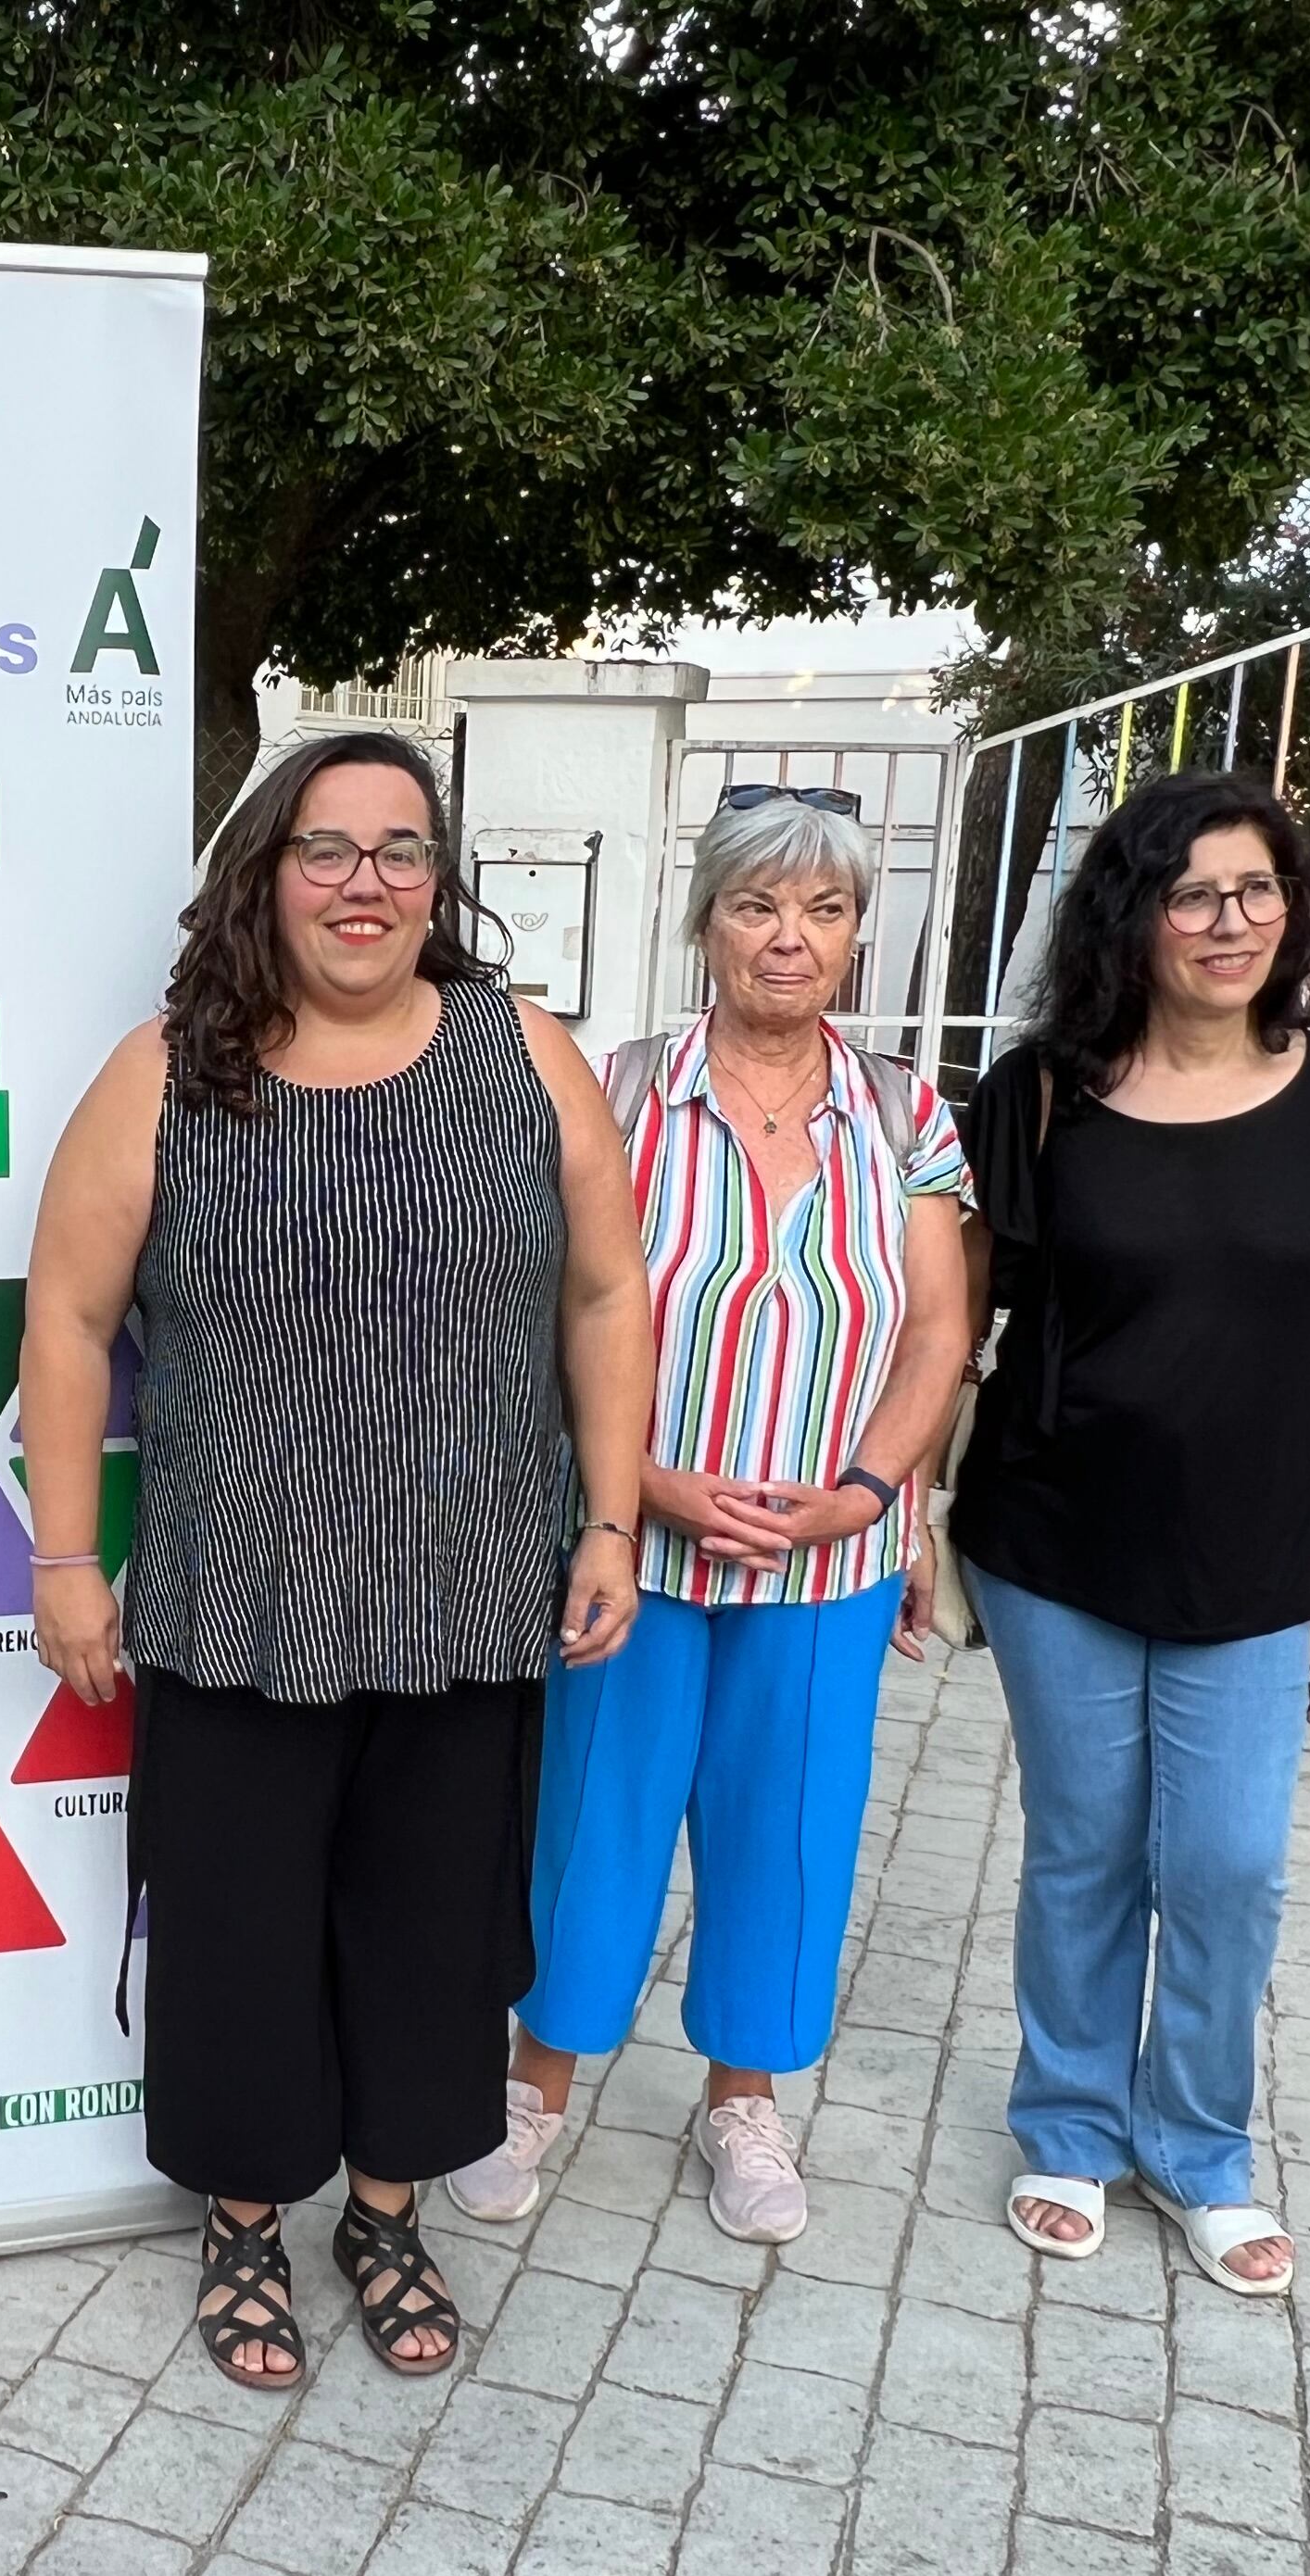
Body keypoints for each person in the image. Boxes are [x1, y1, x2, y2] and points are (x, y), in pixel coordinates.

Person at [21, 728, 651, 2392]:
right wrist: (66, 1556)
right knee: (238, 1926)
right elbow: (71, 1319)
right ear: (265, 872)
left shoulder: (526, 1056)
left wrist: (609, 1515)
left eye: (398, 850)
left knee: (433, 1926)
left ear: (438, 881)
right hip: (243, 1589)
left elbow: (604, 1295)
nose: (364, 882)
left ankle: (387, 2213)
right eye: (327, 847)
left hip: (470, 1586)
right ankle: (243, 2223)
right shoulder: (168, 1071)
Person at [447, 787, 974, 2241]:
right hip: (634, 1550)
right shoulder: (612, 1089)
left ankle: (744, 2100)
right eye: (757, 906)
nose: (787, 941)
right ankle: (533, 2083)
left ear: (860, 935)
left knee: (787, 1832)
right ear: (707, 924)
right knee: (591, 1823)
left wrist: (867, 1496)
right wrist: (642, 1487)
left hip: (832, 1561)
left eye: (823, 911)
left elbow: (939, 1330)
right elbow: (536, 1313)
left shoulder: (904, 1110)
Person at [960, 767, 1310, 2297]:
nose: (1229, 923)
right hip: (1054, 1541)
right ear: (1135, 917)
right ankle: (1071, 2126)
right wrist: (900, 1511)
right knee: (1084, 1851)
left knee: (1225, 1866)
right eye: (1193, 893)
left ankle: (1200, 2148)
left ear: (1292, 915)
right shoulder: (1037, 1095)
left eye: (1256, 892)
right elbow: (963, 1316)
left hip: (1255, 1560)